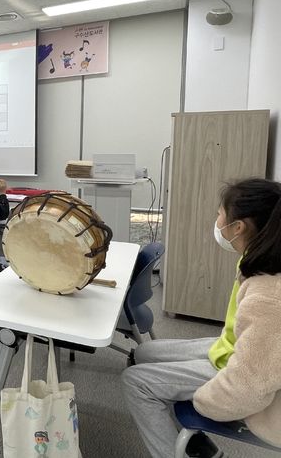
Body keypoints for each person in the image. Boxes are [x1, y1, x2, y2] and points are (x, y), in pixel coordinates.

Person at [122, 178, 281, 458]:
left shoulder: (269, 295)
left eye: (219, 213)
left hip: (239, 370)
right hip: (232, 347)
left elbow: (250, 385)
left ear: (238, 226)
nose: (217, 220)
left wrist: (199, 401)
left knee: (136, 381)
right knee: (145, 352)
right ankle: (198, 448)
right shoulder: (259, 257)